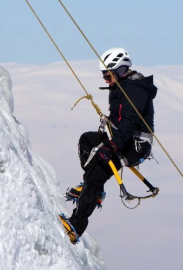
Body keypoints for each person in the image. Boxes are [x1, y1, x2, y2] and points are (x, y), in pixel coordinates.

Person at [59, 47, 158, 244]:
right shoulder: (123, 87)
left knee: (96, 175)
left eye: (108, 75)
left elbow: (129, 123)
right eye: (103, 75)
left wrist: (111, 146)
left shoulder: (134, 90)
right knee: (87, 140)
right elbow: (121, 120)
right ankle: (94, 192)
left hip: (134, 145)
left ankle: (75, 226)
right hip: (124, 139)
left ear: (121, 70)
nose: (105, 79)